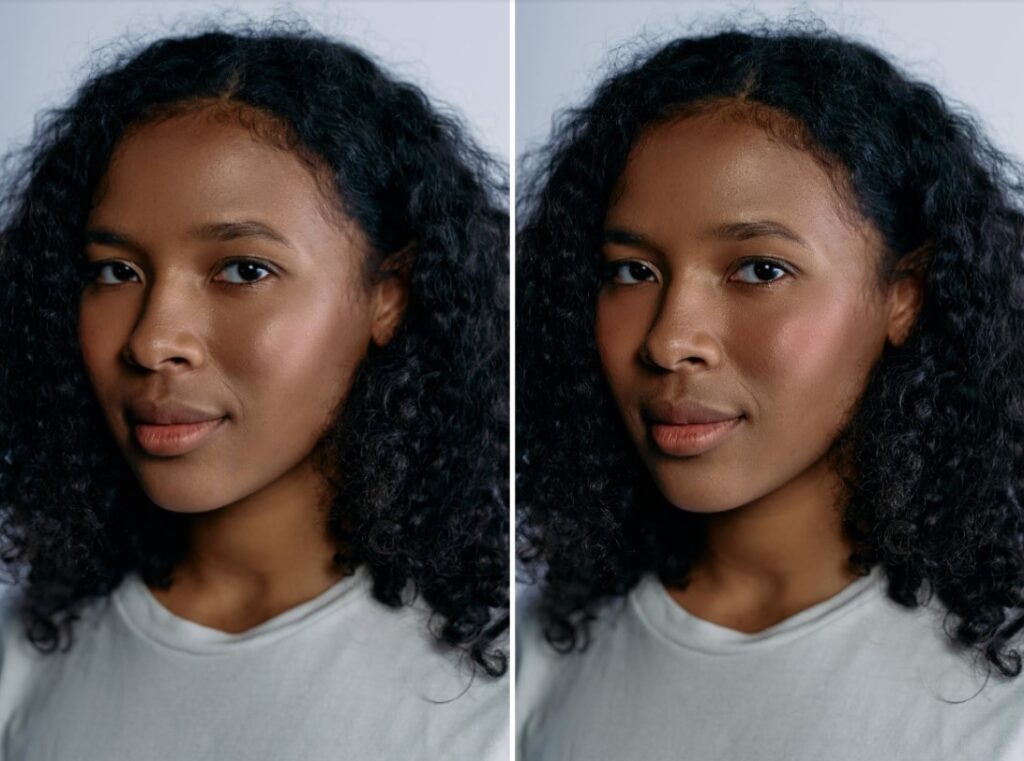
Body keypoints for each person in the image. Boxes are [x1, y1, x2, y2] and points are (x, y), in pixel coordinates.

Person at [0, 23, 508, 761]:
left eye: (242, 270)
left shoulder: (490, 702)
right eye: (114, 271)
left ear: (387, 296)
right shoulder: (24, 666)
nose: (151, 340)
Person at [517, 23, 1024, 761]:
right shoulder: (534, 662)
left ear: (903, 296)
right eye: (632, 271)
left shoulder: (1002, 702)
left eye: (759, 270)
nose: (668, 339)